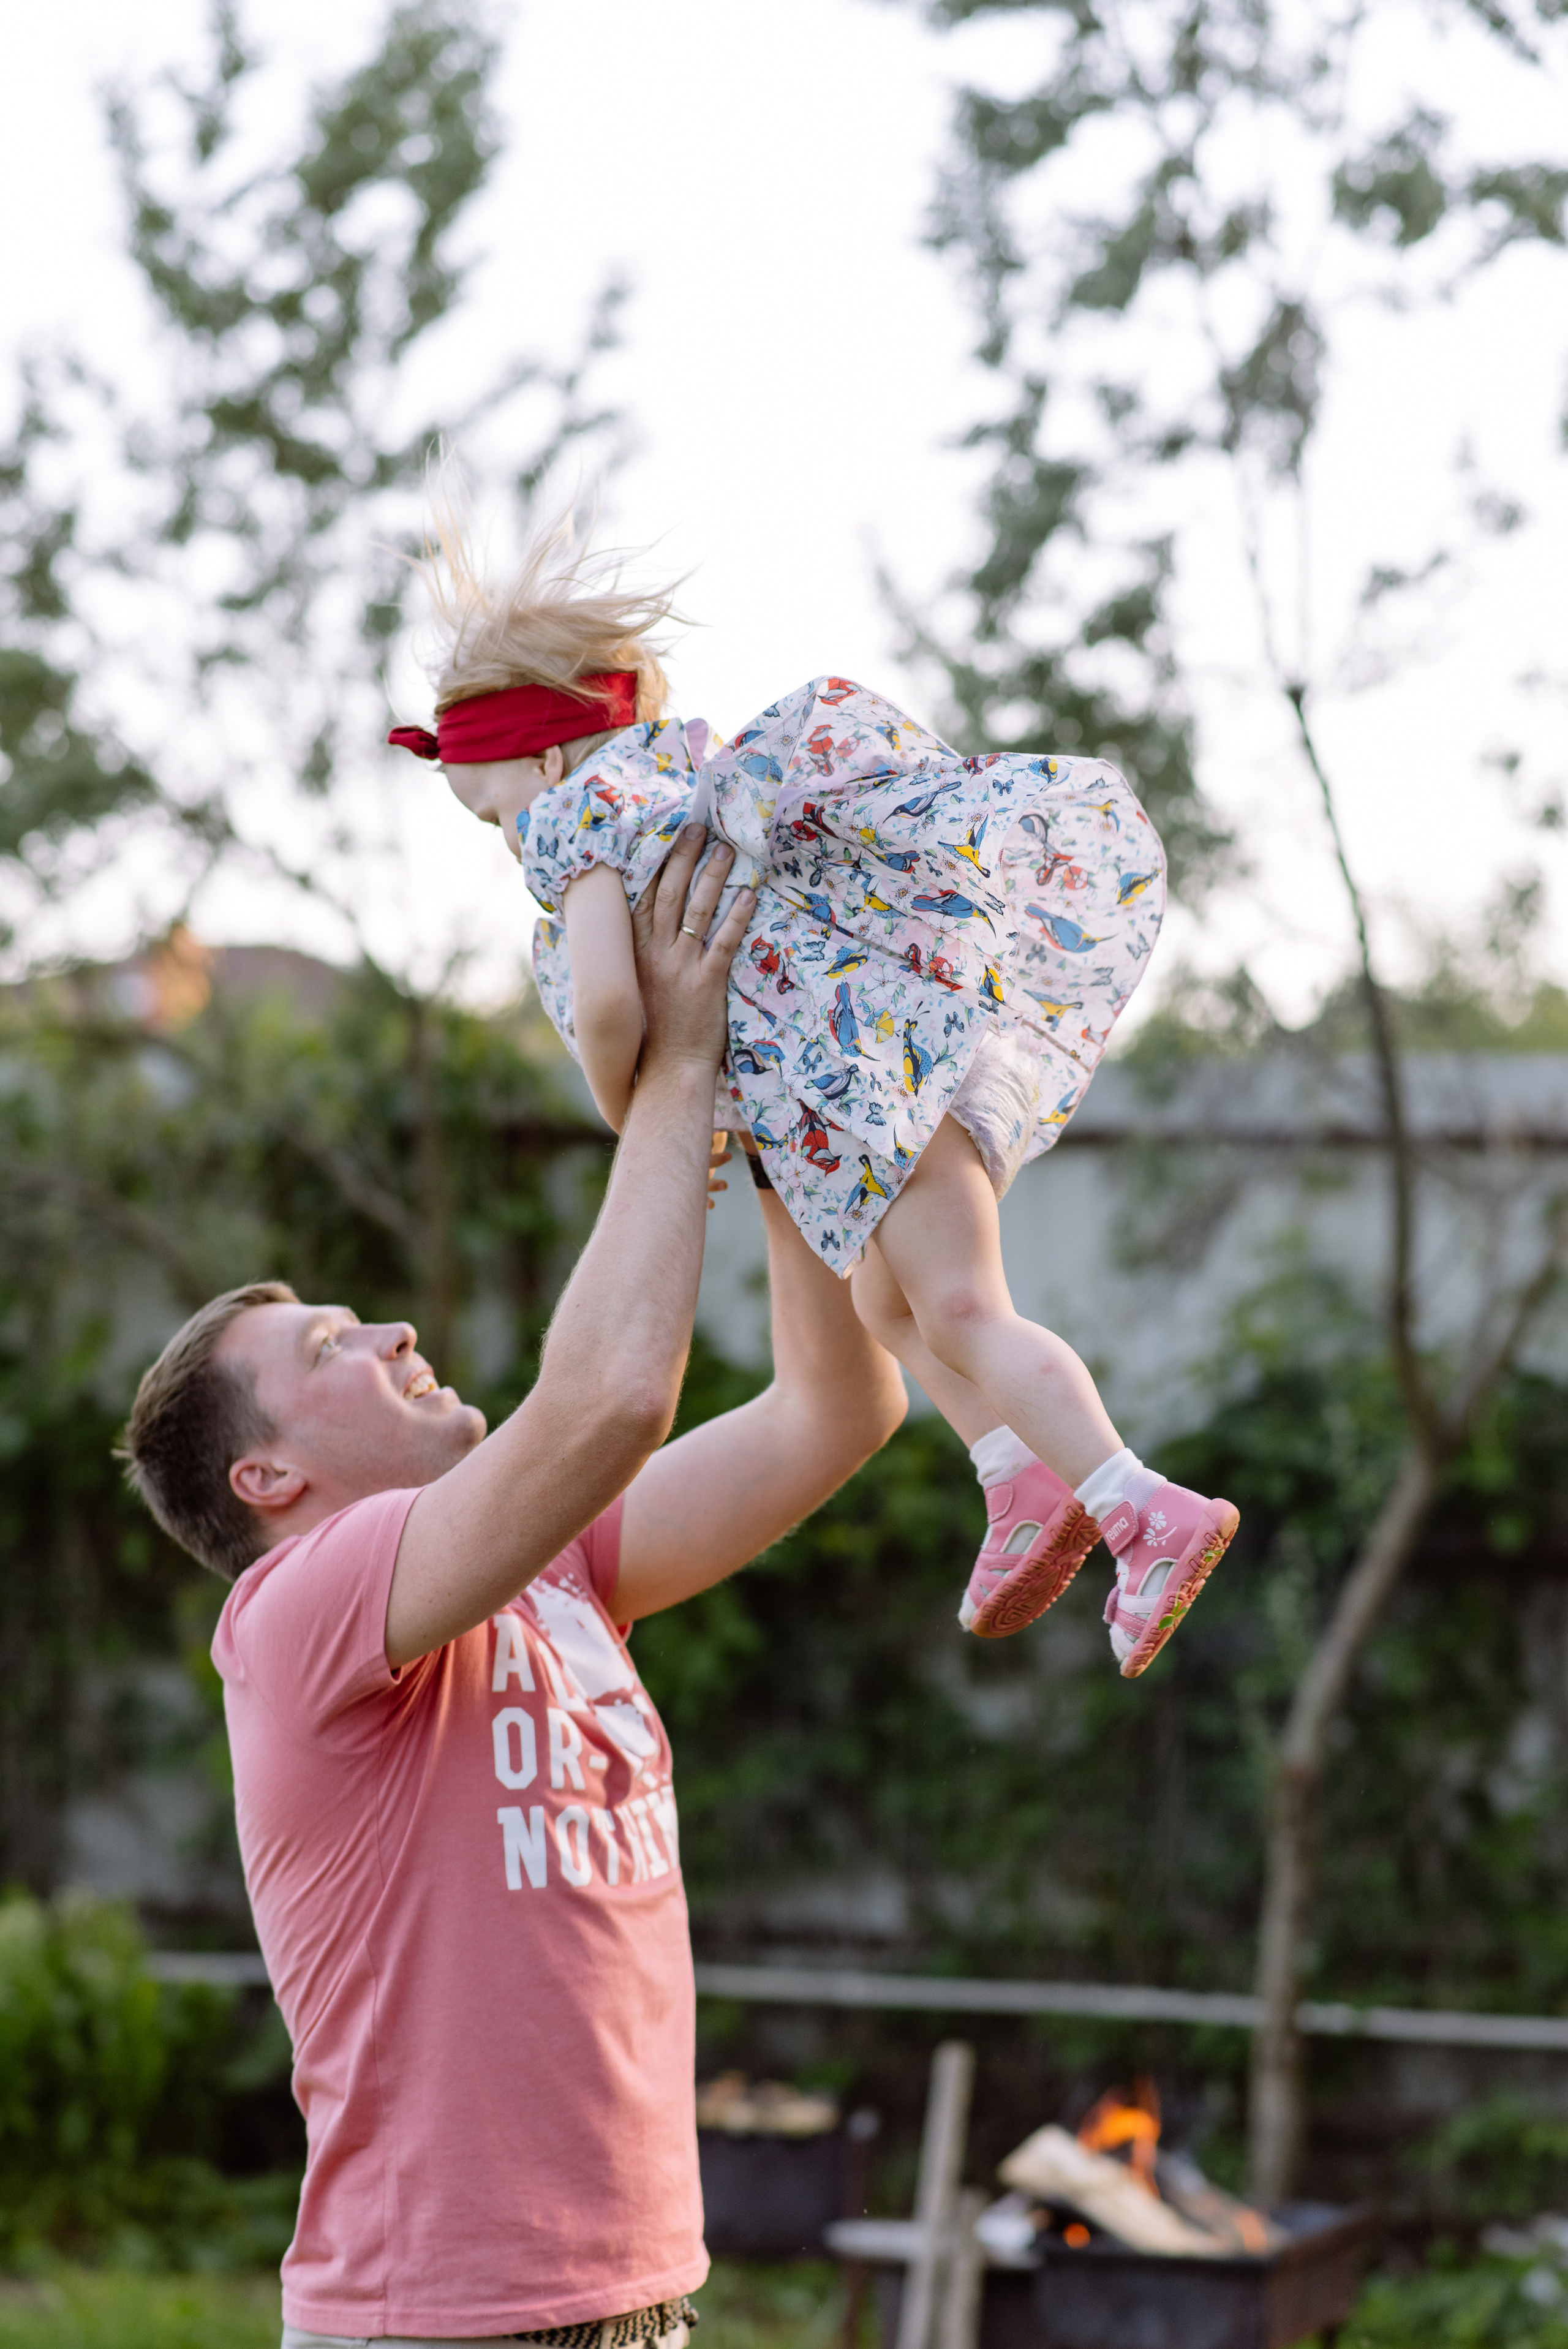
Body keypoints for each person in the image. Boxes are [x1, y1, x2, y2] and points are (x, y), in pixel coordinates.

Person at [118, 825, 908, 2349]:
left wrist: (775, 1100)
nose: (395, 1332)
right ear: (267, 1478)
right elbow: (609, 1399)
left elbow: (838, 1408)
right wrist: (673, 1073)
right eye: (333, 1351)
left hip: (634, 2301)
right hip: (444, 2323)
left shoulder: (551, 1574)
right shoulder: (295, 1618)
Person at [388, 518, 1238, 1677]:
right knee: (892, 1309)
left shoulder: (582, 827)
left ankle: (1140, 1507)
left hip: (883, 1095)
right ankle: (1020, 1477)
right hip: (870, 1091)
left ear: (542, 766)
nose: (505, 842)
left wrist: (634, 1116)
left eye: (489, 813)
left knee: (961, 1310)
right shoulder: (682, 785)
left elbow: (606, 1011)